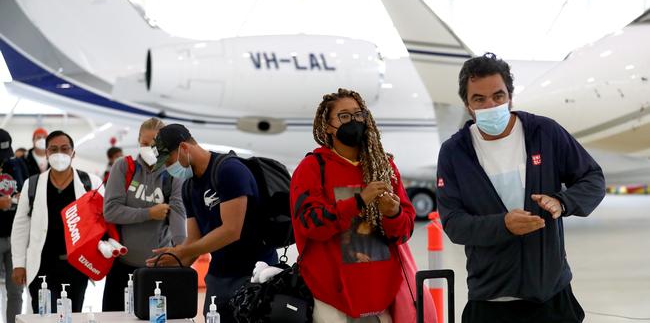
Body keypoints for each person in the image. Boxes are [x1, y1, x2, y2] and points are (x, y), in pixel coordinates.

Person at [436, 53, 606, 323]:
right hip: (491, 299)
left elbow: (592, 178)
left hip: (550, 296)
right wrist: (504, 225)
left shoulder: (545, 132)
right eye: (479, 99)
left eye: (498, 96)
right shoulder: (454, 153)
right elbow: (454, 223)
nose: (490, 104)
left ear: (510, 96)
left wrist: (563, 202)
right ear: (467, 105)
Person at [290, 88, 416, 322]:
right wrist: (359, 201)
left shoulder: (383, 166)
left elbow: (404, 231)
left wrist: (393, 214)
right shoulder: (312, 168)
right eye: (344, 116)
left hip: (383, 295)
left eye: (359, 114)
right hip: (331, 296)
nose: (354, 121)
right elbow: (311, 224)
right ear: (328, 126)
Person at [145, 124, 277, 322]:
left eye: (168, 160)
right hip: (218, 278)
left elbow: (231, 230)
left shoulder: (228, 170)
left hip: (253, 275)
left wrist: (184, 251)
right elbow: (194, 242)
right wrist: (171, 260)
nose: (167, 167)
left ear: (184, 148)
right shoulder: (188, 187)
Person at [11, 130, 103, 313]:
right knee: (43, 314)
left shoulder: (90, 183)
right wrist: (19, 264)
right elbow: (20, 226)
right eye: (53, 149)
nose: (59, 153)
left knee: (72, 314)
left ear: (73, 153)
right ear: (46, 153)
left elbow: (103, 222)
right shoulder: (33, 184)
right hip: (41, 265)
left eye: (64, 148)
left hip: (77, 265)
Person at [102, 118, 186, 311]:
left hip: (158, 269)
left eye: (156, 144)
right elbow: (111, 211)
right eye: (145, 144)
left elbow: (178, 214)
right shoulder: (123, 167)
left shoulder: (174, 174)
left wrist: (182, 254)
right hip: (122, 267)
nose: (150, 148)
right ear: (138, 142)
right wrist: (149, 213)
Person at [0, 129, 28, 323]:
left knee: (16, 291)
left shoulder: (17, 164)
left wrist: (21, 198)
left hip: (15, 238)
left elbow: (29, 188)